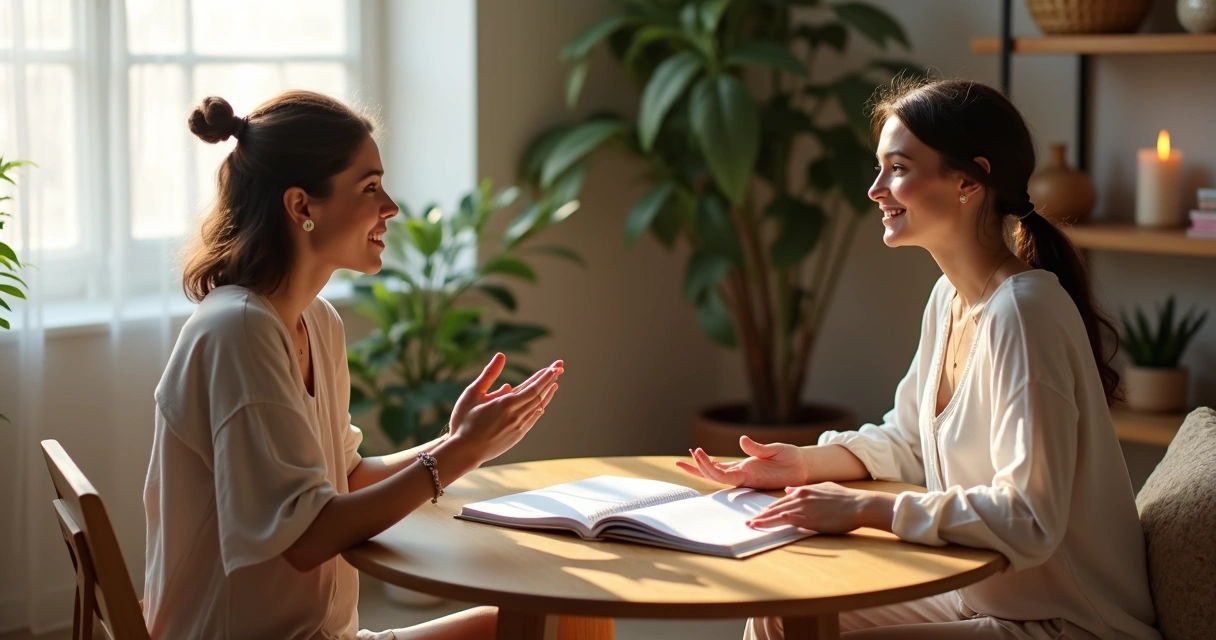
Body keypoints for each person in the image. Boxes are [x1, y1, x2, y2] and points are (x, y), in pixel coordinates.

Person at [679, 78, 1160, 640]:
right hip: (979, 598)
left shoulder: (1024, 314)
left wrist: (866, 510)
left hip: (1067, 623)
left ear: (968, 181)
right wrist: (803, 464)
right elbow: (910, 441)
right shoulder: (949, 299)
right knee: (780, 614)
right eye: (879, 168)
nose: (875, 189)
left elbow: (1029, 518)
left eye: (898, 168)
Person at [142, 91, 563, 640]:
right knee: (539, 629)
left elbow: (347, 477)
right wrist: (460, 452)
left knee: (539, 624)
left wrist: (460, 441)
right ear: (301, 207)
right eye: (369, 188)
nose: (390, 207)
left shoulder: (316, 320)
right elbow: (307, 539)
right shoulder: (239, 330)